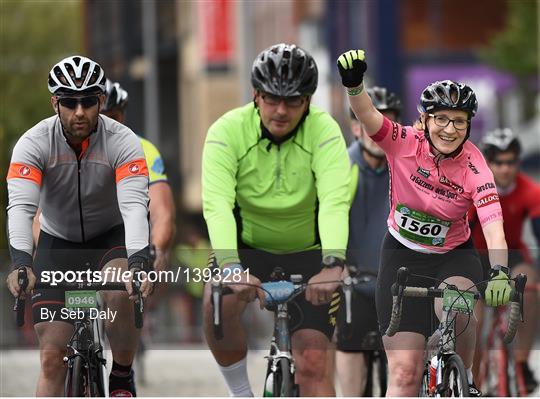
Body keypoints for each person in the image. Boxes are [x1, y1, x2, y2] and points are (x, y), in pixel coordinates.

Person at [337, 50, 511, 397]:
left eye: (459, 121)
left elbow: (493, 226)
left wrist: (500, 271)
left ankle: (467, 380)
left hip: (454, 255)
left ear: (469, 125)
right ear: (425, 119)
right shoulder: (403, 143)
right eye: (442, 119)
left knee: (459, 307)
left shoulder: (475, 166)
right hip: (401, 256)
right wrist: (354, 86)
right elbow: (369, 117)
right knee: (403, 373)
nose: (450, 129)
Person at [202, 43, 351, 396]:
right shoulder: (227, 131)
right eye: (271, 99)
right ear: (255, 95)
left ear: (308, 102)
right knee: (215, 303)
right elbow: (217, 204)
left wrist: (333, 263)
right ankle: (241, 391)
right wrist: (229, 266)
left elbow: (334, 200)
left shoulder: (325, 131)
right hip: (246, 249)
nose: (281, 110)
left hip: (310, 252)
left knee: (314, 362)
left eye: (293, 101)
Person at [5, 55, 152, 397]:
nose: (80, 111)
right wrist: (21, 263)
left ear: (101, 100)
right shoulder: (33, 143)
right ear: (55, 102)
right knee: (51, 359)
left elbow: (133, 208)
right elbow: (21, 208)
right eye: (69, 102)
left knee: (120, 291)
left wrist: (139, 262)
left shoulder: (124, 141)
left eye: (88, 101)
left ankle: (121, 375)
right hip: (58, 244)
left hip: (109, 238)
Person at [335, 87, 401, 396]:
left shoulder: (406, 169)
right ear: (355, 126)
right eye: (371, 122)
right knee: (350, 357)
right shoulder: (340, 168)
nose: (378, 131)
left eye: (386, 124)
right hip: (354, 283)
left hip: (397, 284)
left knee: (408, 368)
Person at [470, 128, 539, 393]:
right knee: (471, 320)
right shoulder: (475, 188)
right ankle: (473, 378)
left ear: (518, 163)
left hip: (512, 255)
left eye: (510, 162)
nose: (505, 168)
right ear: (487, 163)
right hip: (476, 256)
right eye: (498, 162)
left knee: (529, 286)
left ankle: (521, 363)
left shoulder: (530, 191)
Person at [101, 79, 176, 272]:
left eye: (113, 117)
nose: (107, 127)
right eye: (100, 119)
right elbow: (40, 216)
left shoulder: (144, 149)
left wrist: (155, 250)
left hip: (126, 244)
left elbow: (162, 213)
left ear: (123, 116)